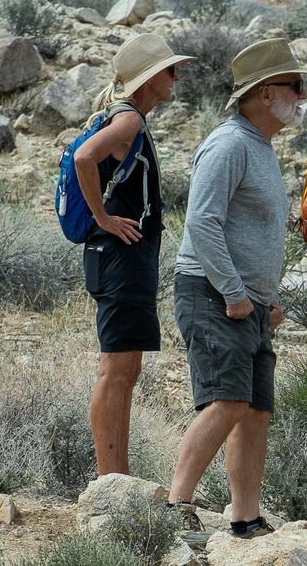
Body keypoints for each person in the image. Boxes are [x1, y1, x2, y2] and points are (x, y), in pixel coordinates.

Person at [162, 38, 307, 541]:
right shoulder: (228, 144)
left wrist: (266, 297)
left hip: (247, 301)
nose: (302, 95)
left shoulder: (260, 147)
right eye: (295, 86)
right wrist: (233, 292)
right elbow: (201, 223)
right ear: (266, 93)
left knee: (255, 412)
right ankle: (175, 506)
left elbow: (252, 231)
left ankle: (245, 519)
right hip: (213, 293)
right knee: (227, 401)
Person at [76, 33, 193, 477]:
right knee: (117, 370)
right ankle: (110, 479)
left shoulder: (128, 117)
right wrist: (103, 217)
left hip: (121, 260)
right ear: (148, 78)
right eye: (170, 70)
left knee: (125, 369)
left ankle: (117, 477)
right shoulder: (128, 120)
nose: (176, 78)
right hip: (121, 259)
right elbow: (86, 157)